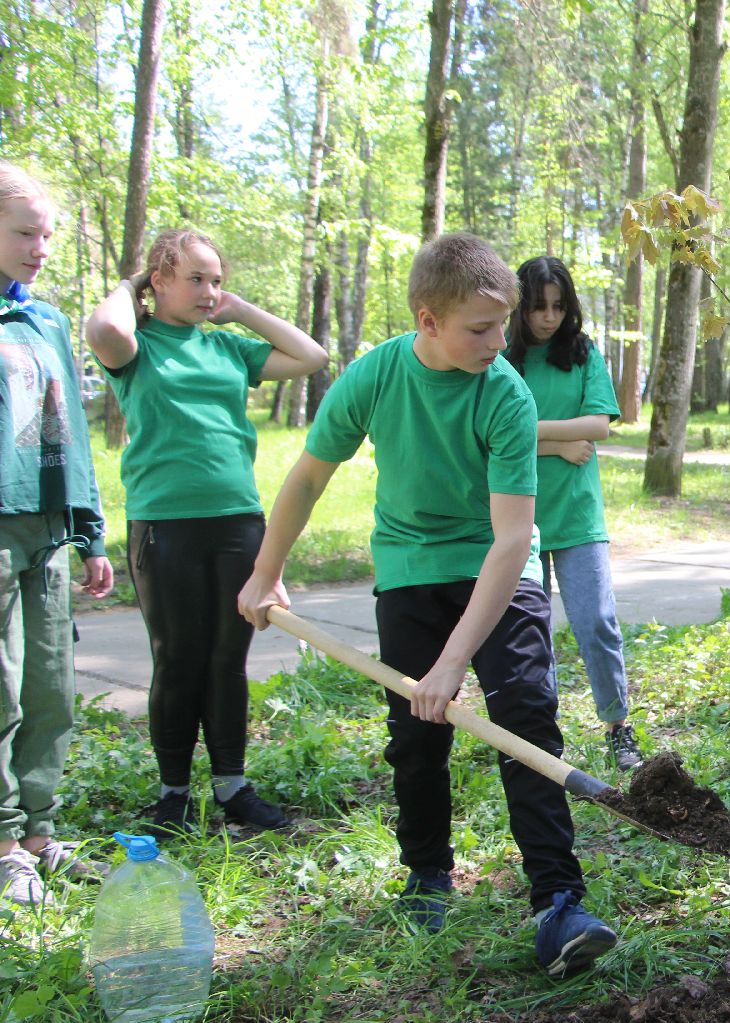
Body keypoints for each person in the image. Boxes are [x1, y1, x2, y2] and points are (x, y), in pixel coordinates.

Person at [237, 233, 618, 976]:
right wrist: (266, 571)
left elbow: (511, 543)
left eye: (502, 324)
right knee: (416, 734)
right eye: (480, 328)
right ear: (428, 320)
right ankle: (428, 873)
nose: (498, 342)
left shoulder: (504, 391)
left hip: (497, 564)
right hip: (411, 566)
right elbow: (309, 475)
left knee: (527, 713)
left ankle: (558, 902)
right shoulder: (375, 376)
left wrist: (453, 664)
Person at [87, 228, 327, 835]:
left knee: (228, 657)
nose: (209, 290)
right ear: (158, 281)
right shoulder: (137, 345)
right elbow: (105, 332)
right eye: (195, 278)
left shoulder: (228, 349)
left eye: (215, 279)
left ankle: (231, 786)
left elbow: (311, 357)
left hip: (238, 522)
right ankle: (172, 793)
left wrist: (240, 308)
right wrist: (127, 285)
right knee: (177, 658)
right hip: (163, 525)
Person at [0, 162, 115, 905]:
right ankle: (3, 841)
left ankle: (39, 831)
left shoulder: (42, 319)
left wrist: (91, 534)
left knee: (50, 686)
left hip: (45, 530)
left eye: (46, 235)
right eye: (23, 233)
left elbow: (65, 433)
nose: (40, 247)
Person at [505, 256, 642, 772]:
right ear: (519, 306)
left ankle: (618, 724)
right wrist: (559, 445)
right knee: (530, 633)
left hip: (580, 515)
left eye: (558, 307)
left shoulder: (581, 352)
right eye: (538, 306)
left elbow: (602, 426)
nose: (548, 317)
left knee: (596, 622)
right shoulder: (500, 359)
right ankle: (543, 736)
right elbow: (491, 436)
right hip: (520, 516)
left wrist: (534, 434)